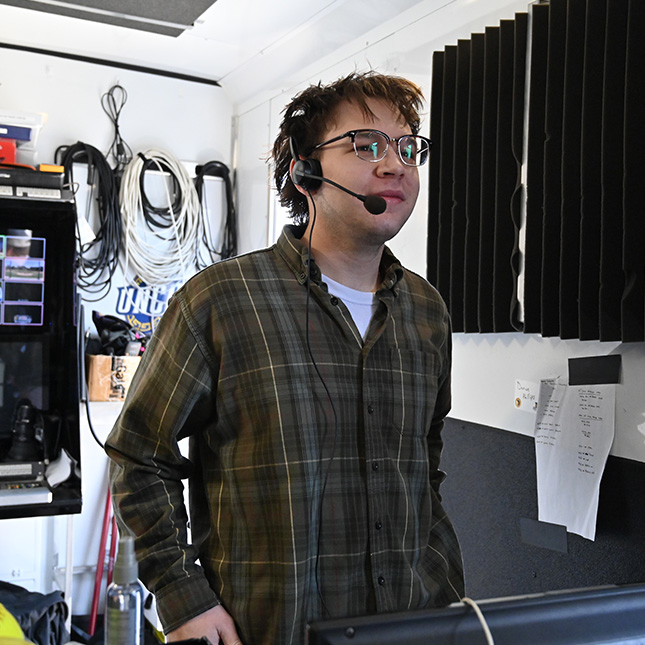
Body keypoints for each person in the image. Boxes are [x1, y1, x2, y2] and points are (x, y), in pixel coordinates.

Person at [106, 70, 464, 645]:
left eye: (408, 147)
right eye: (367, 144)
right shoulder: (220, 300)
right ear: (305, 170)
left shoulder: (427, 312)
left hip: (411, 626)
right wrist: (182, 597)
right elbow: (138, 455)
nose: (395, 165)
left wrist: (442, 588)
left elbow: (426, 467)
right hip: (268, 630)